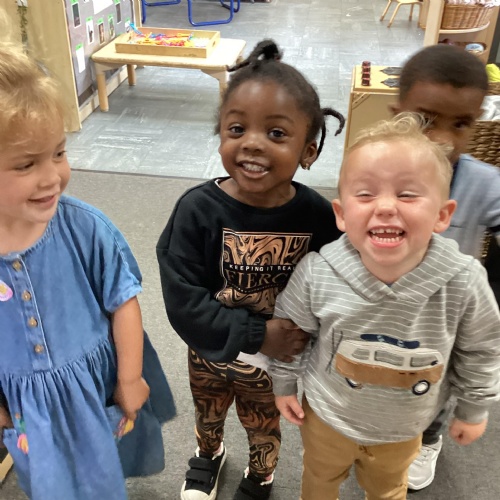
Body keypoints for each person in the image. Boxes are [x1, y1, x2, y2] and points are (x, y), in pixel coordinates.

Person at [268, 113, 500, 500]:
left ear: (442, 215)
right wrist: (284, 384)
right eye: (365, 194)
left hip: (405, 428)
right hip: (327, 416)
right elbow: (291, 332)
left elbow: (481, 349)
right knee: (319, 480)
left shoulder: (464, 282)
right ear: (341, 215)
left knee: (389, 489)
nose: (386, 206)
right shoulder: (318, 272)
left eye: (407, 194)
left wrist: (473, 407)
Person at [156, 39, 345, 500]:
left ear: (309, 151)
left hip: (275, 366)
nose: (253, 143)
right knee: (208, 414)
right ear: (221, 135)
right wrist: (257, 334)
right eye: (237, 128)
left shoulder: (319, 218)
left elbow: (338, 287)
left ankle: (260, 475)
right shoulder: (197, 210)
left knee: (264, 425)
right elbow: (183, 300)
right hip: (211, 350)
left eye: (276, 133)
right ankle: (209, 454)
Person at [0, 42, 175, 499]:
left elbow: (124, 303)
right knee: (46, 480)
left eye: (58, 153)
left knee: (102, 474)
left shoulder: (86, 228)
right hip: (26, 407)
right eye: (27, 164)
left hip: (94, 390)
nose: (52, 177)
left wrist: (130, 377)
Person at [391, 44, 500, 490]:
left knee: (434, 389)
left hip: (445, 320)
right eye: (426, 120)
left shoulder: (483, 183)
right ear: (397, 115)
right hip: (383, 307)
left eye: (461, 124)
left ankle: (429, 438)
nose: (443, 139)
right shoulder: (377, 172)